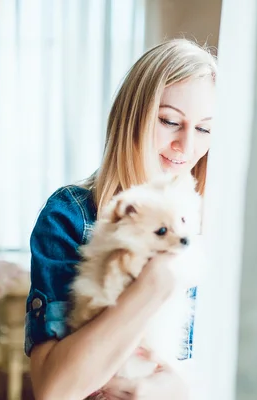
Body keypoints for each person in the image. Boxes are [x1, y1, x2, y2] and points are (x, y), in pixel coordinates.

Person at [26, 38, 217, 399]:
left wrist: (162, 387)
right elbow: (55, 390)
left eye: (204, 128)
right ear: (132, 117)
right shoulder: (70, 216)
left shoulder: (213, 221)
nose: (186, 145)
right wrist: (153, 284)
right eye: (170, 121)